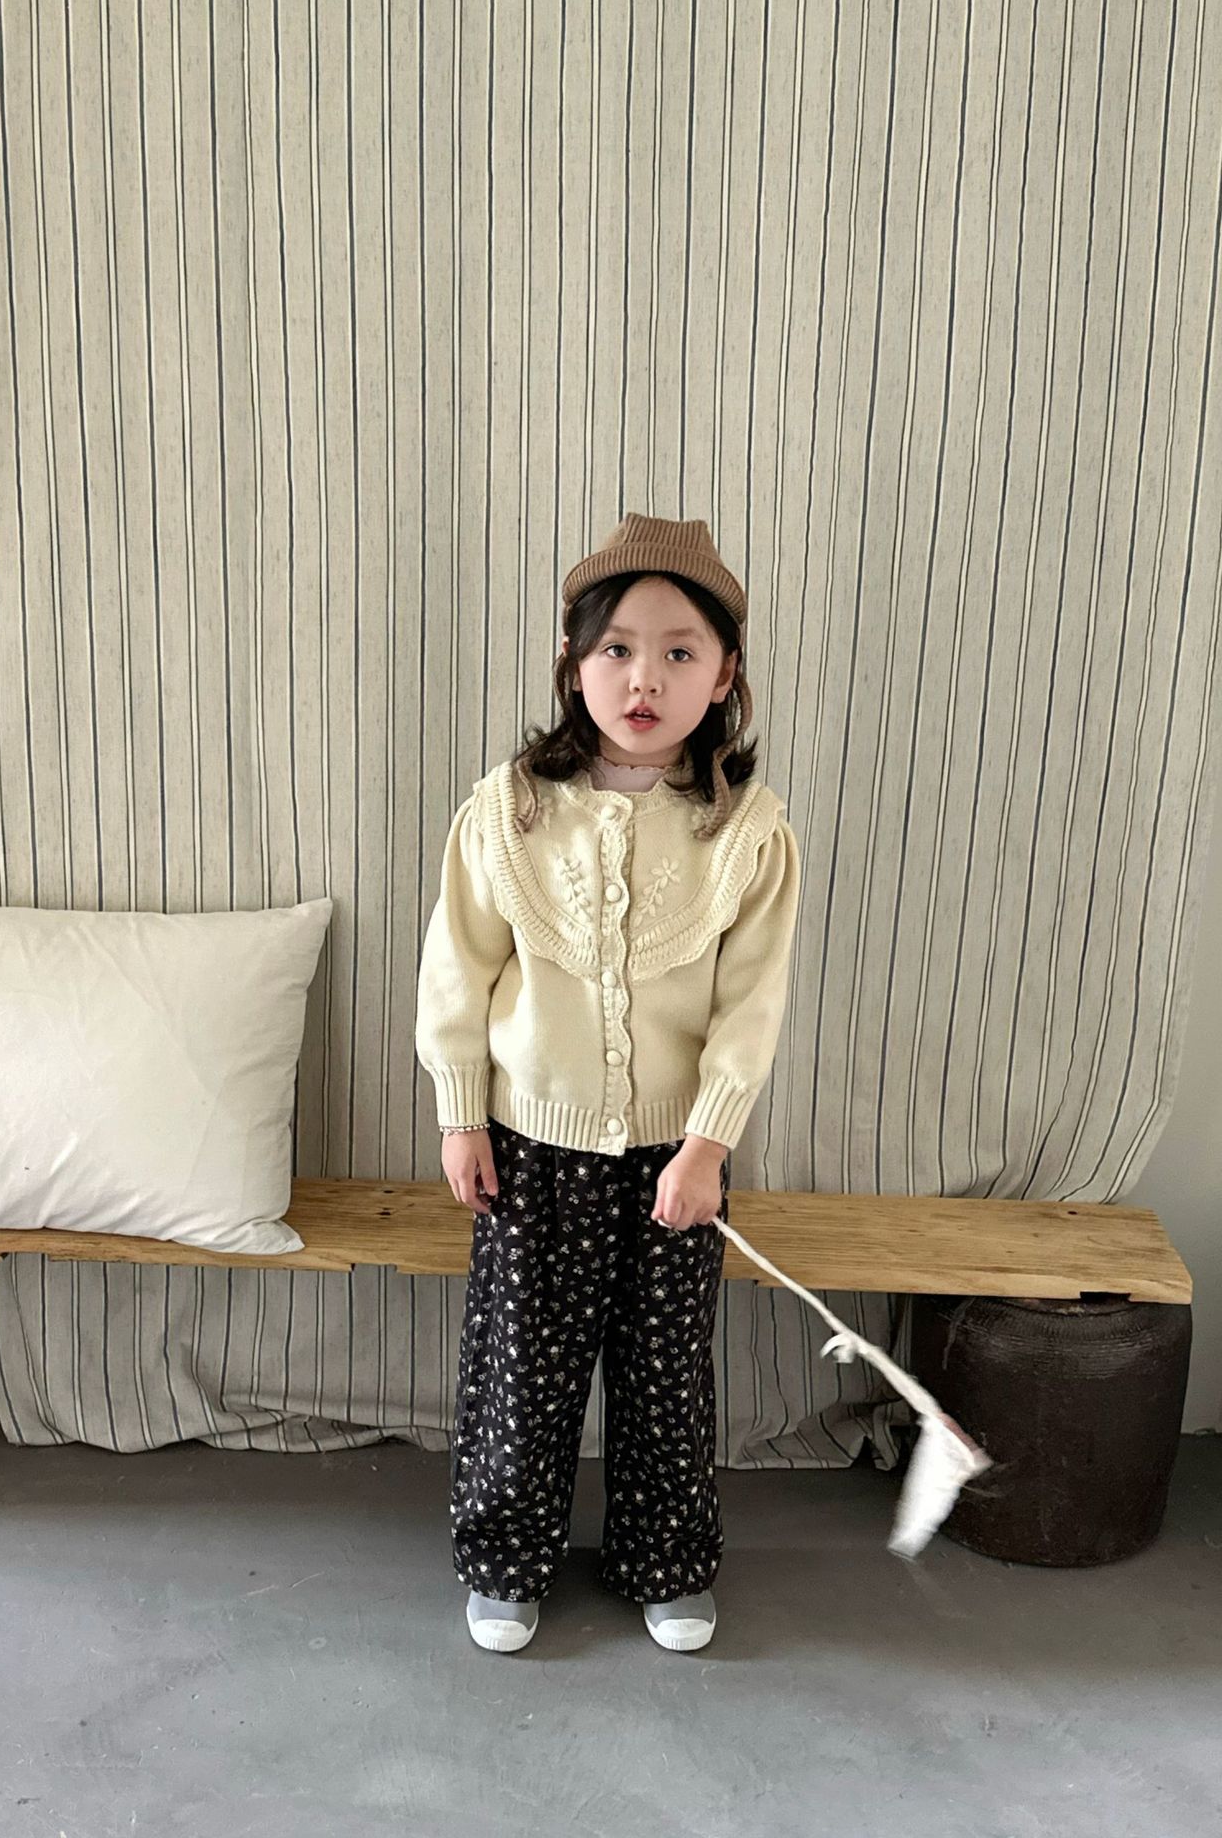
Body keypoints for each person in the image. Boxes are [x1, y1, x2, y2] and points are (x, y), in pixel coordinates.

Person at [413, 511, 801, 1654]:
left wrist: (709, 1144)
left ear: (724, 673)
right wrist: (459, 1112)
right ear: (572, 661)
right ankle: (505, 1559)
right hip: (529, 1147)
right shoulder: (508, 812)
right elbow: (457, 968)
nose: (645, 678)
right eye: (618, 648)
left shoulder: (747, 833)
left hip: (677, 1159)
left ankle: (664, 1559)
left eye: (681, 651)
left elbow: (751, 1006)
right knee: (522, 1367)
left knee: (665, 1374)